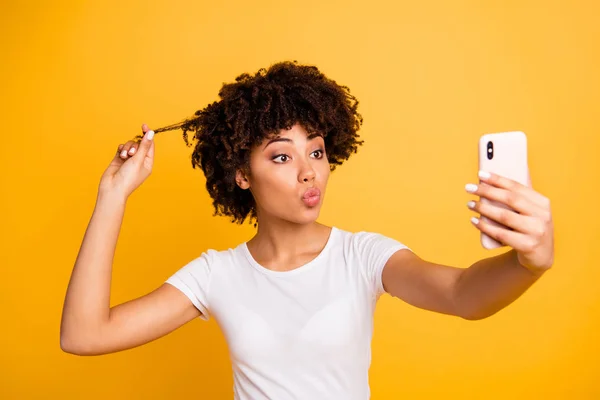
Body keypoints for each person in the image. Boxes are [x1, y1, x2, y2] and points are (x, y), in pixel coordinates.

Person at [60, 61, 554, 399]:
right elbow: (84, 334)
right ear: (241, 174)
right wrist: (113, 196)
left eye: (316, 151)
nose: (308, 171)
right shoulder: (217, 275)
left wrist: (529, 261)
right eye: (281, 155)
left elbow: (463, 294)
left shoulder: (362, 257)